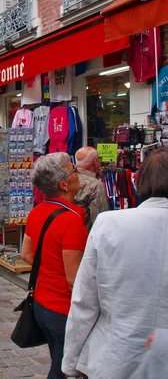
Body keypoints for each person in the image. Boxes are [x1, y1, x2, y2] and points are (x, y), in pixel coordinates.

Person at [63, 148, 168, 379]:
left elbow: (85, 302)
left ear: (139, 182)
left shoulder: (109, 224)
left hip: (115, 358)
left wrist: (70, 363)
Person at [21, 152, 87, 379]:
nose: (78, 172)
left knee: (58, 361)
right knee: (63, 369)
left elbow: (27, 254)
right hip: (62, 308)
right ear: (64, 184)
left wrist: (49, 268)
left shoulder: (38, 211)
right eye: (74, 169)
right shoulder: (71, 220)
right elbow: (73, 278)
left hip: (41, 302)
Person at [73, 146, 110, 231]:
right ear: (95, 162)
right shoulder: (95, 185)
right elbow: (99, 221)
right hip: (85, 238)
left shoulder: (65, 180)